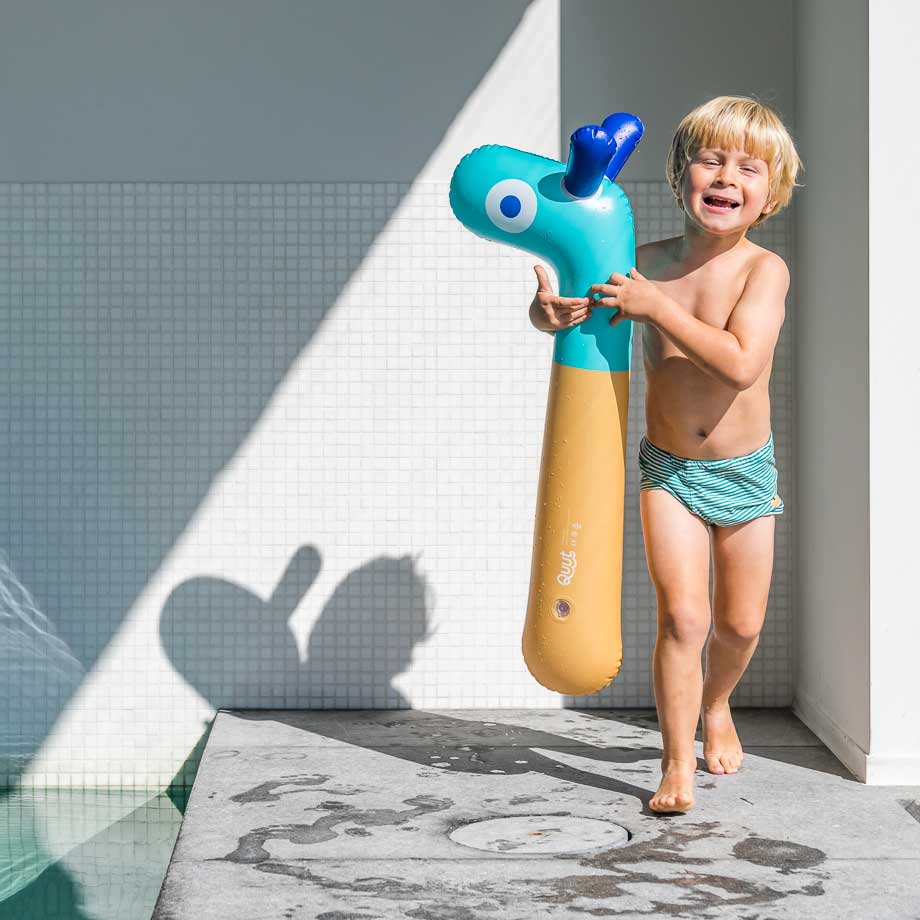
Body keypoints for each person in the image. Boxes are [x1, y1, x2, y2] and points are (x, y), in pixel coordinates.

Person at [529, 95, 803, 814]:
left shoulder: (763, 271)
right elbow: (578, 309)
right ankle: (676, 762)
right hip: (671, 472)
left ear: (770, 195)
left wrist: (658, 308)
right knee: (684, 618)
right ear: (681, 175)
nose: (726, 177)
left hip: (746, 472)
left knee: (740, 625)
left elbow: (741, 364)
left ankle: (717, 703)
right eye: (710, 161)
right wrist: (548, 314)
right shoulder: (641, 264)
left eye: (748, 168)